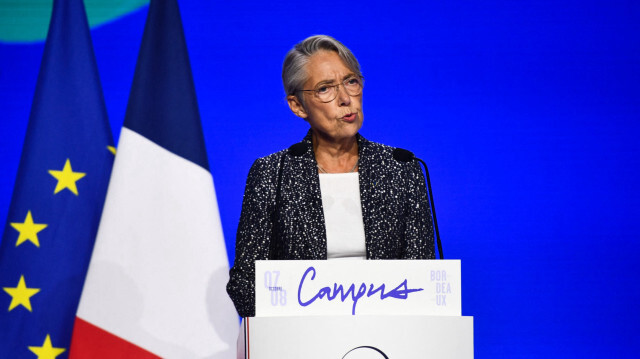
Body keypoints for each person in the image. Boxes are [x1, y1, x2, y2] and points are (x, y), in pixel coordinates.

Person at [226, 35, 435, 318]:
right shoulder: (272, 174)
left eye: (351, 81)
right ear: (298, 106)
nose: (345, 99)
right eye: (325, 88)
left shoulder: (402, 169)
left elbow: (421, 278)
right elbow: (245, 285)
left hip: (384, 338)